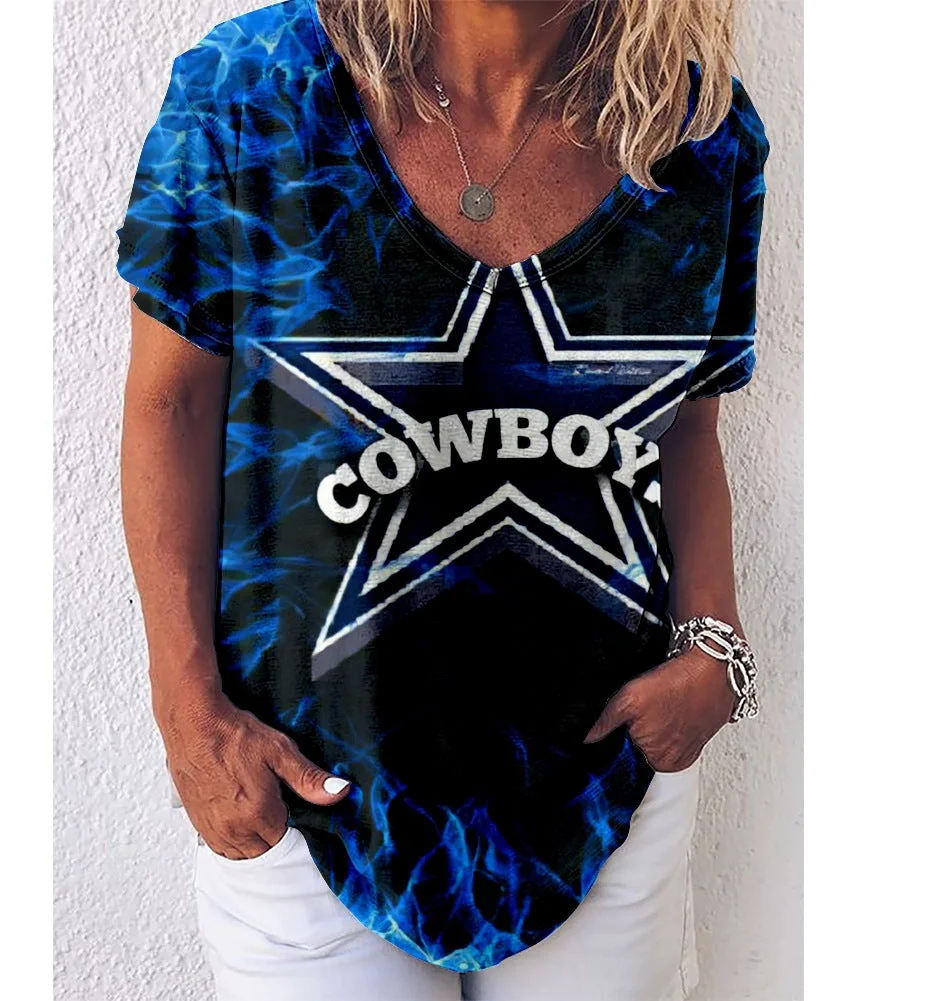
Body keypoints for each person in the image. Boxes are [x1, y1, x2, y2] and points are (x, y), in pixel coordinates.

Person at [114, 0, 769, 998]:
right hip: (306, 778)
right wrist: (186, 707)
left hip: (602, 779)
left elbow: (681, 421)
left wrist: (712, 646)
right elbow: (170, 404)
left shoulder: (698, 130)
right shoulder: (251, 91)